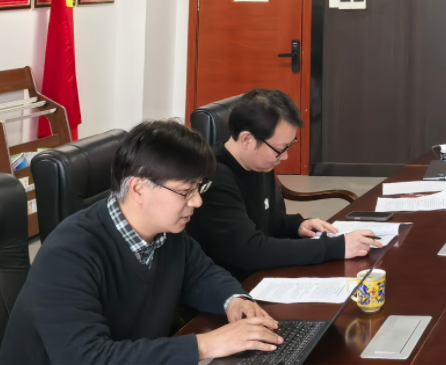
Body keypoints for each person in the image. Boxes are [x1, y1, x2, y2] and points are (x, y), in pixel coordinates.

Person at [0, 120, 285, 364]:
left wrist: (234, 300)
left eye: (199, 187)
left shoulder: (166, 231)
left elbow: (201, 274)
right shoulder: (68, 254)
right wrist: (207, 345)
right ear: (138, 188)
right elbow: (88, 358)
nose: (197, 201)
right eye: (186, 191)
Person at [187, 89, 380, 282]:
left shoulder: (259, 162)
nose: (285, 156)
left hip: (264, 271)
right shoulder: (215, 178)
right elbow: (250, 251)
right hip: (234, 284)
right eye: (279, 149)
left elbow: (269, 220)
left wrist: (297, 226)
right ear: (247, 139)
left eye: (288, 146)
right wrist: (335, 247)